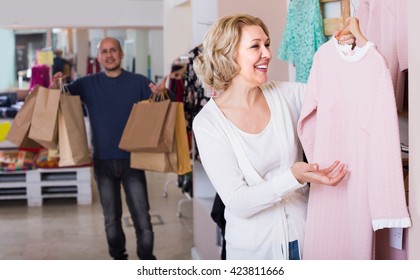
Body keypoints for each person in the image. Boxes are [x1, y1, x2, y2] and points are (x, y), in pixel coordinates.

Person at [192, 14, 352, 260]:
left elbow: (336, 94)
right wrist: (293, 177)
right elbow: (238, 201)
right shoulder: (208, 124)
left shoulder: (289, 95)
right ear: (227, 55)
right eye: (255, 46)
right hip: (255, 252)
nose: (267, 53)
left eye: (266, 44)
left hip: (307, 237)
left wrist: (343, 53)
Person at [51, 37, 168, 260]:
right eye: (104, 52)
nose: (109, 55)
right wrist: (54, 85)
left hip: (133, 160)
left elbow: (160, 107)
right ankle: (119, 260)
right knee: (111, 219)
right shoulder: (87, 84)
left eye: (113, 50)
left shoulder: (138, 82)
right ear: (99, 57)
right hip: (102, 161)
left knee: (142, 219)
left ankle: (147, 263)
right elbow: (62, 96)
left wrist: (161, 94)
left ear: (121, 54)